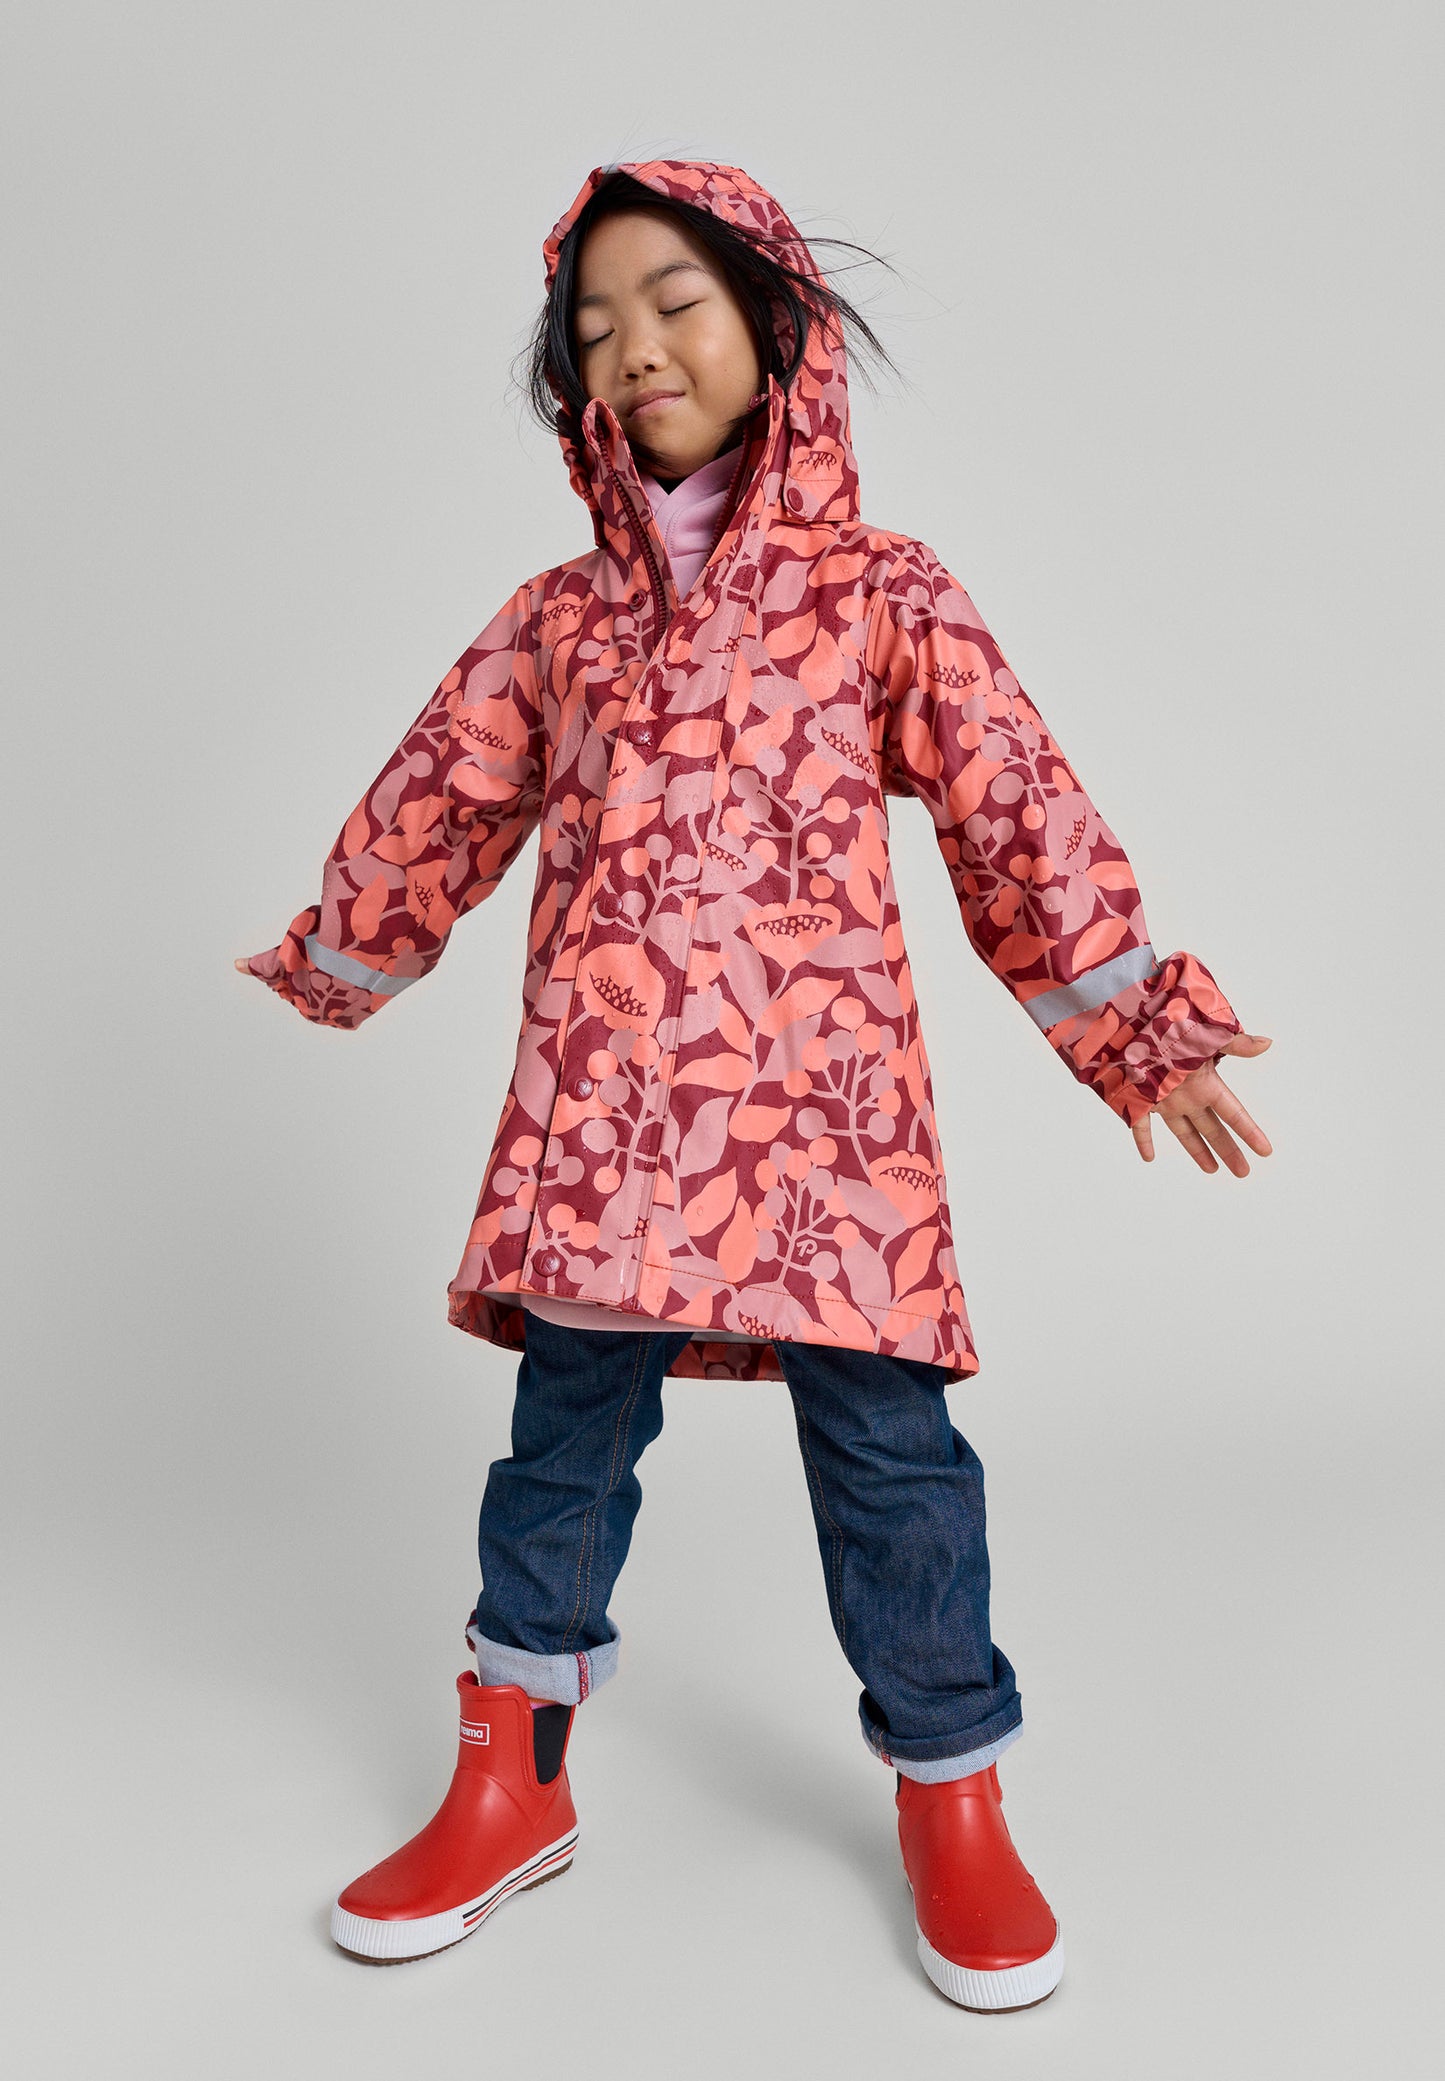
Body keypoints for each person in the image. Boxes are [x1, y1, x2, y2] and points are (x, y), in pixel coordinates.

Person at [235, 157, 1272, 2010]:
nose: (632, 349)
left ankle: (952, 1789)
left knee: (893, 1466)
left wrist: (1143, 1028)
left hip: (824, 1137)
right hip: (605, 1129)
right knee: (561, 1449)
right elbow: (438, 789)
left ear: (777, 328)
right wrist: (346, 948)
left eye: (674, 304)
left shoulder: (881, 594)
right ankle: (511, 1778)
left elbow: (1014, 813)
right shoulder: (559, 621)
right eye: (593, 326)